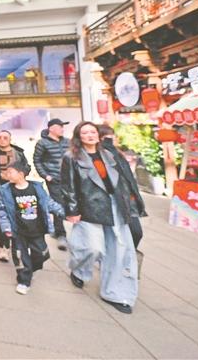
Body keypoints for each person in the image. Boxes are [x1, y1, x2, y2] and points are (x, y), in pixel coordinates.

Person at [61, 121, 139, 314]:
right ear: (79, 137)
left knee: (119, 249)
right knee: (92, 248)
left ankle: (114, 292)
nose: (90, 135)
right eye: (85, 132)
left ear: (98, 134)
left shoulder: (109, 154)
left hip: (115, 204)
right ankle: (79, 270)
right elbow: (69, 186)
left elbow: (125, 180)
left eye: (93, 131)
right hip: (89, 206)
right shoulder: (71, 157)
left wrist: (132, 204)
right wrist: (72, 210)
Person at [0, 160, 64, 295]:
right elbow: (2, 211)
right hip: (18, 231)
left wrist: (63, 212)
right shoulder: (6, 191)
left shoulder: (36, 188)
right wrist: (6, 228)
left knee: (42, 254)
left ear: (21, 174)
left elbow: (48, 203)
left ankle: (31, 268)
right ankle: (24, 281)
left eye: (10, 172)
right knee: (20, 256)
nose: (7, 175)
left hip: (36, 229)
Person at [0, 130, 31, 262]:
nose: (2, 140)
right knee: (1, 216)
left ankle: (17, 245)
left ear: (10, 139)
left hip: (15, 187)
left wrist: (20, 175)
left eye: (5, 137)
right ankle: (4, 247)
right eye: (0, 137)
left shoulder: (18, 153)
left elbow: (27, 167)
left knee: (17, 215)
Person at [98, 125, 147, 252]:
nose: (112, 139)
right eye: (107, 137)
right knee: (116, 236)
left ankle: (128, 256)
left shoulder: (118, 153)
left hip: (128, 199)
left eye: (112, 136)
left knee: (136, 232)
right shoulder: (101, 154)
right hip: (113, 201)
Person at [33, 118, 70, 251]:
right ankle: (61, 234)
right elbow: (37, 160)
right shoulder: (42, 143)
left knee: (70, 204)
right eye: (60, 126)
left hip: (69, 179)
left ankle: (56, 228)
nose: (62, 129)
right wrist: (46, 176)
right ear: (51, 128)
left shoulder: (67, 142)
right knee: (57, 204)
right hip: (54, 180)